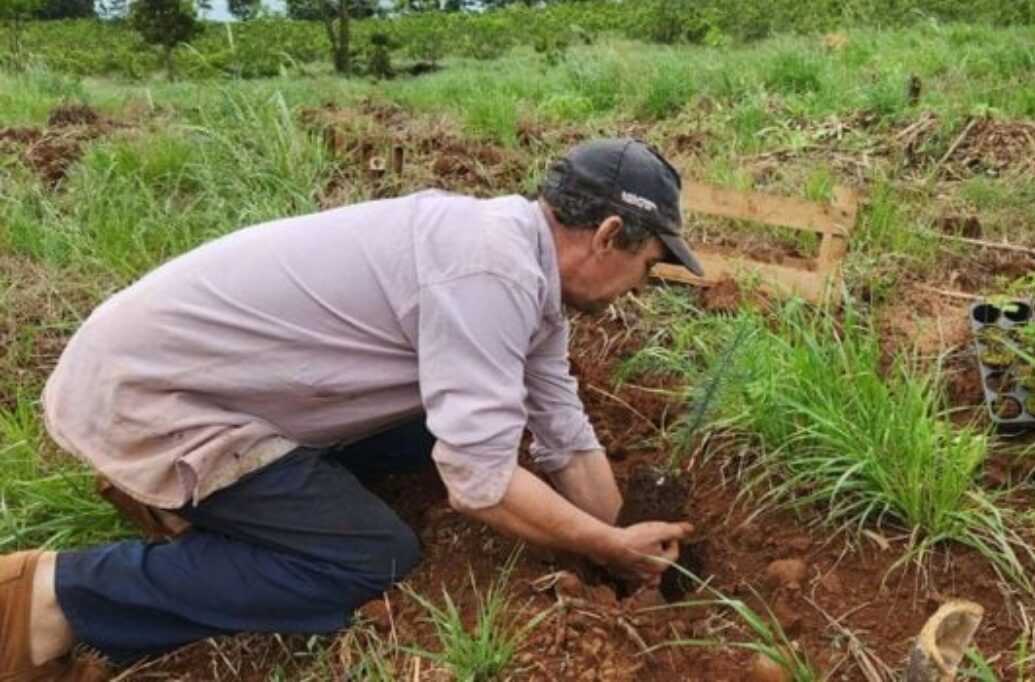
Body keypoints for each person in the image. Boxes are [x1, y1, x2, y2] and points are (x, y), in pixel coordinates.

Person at [0, 138, 703, 679]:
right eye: (649, 265)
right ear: (609, 234)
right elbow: (478, 481)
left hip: (207, 376)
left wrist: (624, 542)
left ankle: (198, 501)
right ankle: (58, 597)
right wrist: (598, 545)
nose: (642, 286)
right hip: (154, 398)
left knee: (456, 416)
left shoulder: (523, 272)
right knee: (370, 558)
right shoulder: (489, 271)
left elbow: (560, 428)